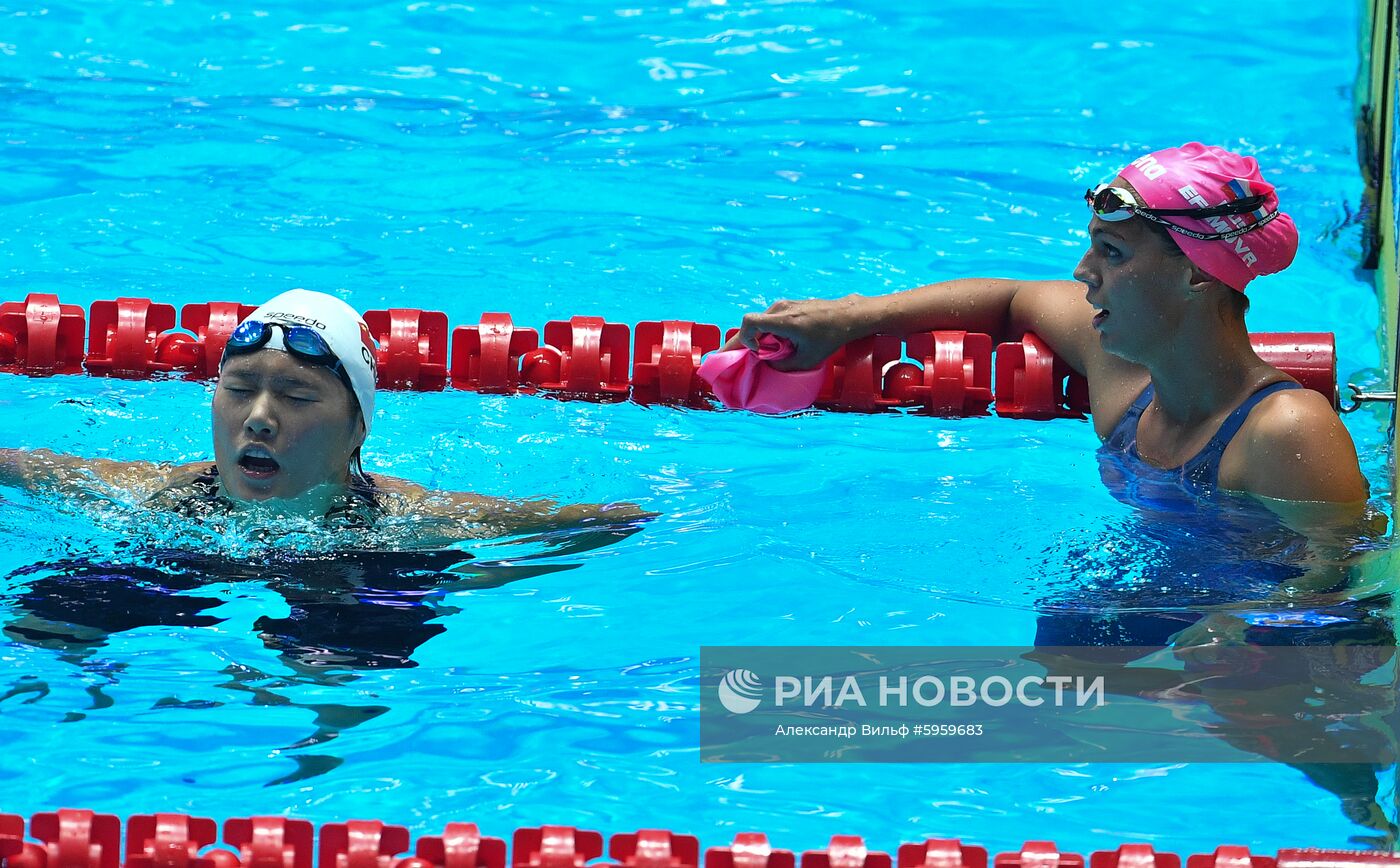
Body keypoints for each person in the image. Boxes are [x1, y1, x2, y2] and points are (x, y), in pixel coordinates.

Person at [726, 142, 1368, 517]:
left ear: (1198, 277)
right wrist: (849, 317)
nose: (1083, 273)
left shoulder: (1285, 431)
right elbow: (1013, 297)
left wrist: (1235, 640)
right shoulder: (1126, 382)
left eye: (1113, 254)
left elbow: (1348, 588)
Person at [0, 288, 650, 539]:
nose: (257, 418)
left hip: (351, 588)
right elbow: (38, 471)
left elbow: (569, 524)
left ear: (357, 429)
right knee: (53, 615)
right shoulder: (167, 497)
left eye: (297, 395)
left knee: (340, 664)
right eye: (239, 388)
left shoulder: (402, 522)